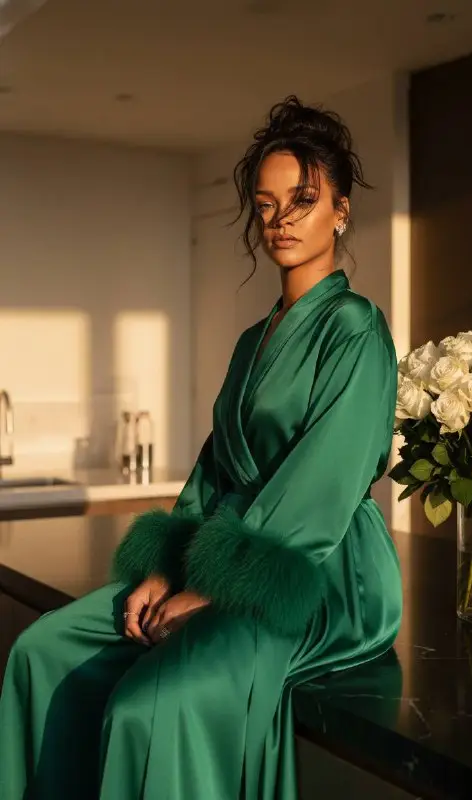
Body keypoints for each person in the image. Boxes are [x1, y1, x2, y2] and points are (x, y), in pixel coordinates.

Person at [0, 95, 402, 800]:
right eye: (265, 203)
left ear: (341, 209)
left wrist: (209, 585)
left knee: (146, 705)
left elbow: (322, 489)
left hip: (313, 569)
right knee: (42, 650)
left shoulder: (356, 329)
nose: (280, 220)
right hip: (221, 550)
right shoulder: (255, 340)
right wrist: (164, 567)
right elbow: (216, 468)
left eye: (302, 200)